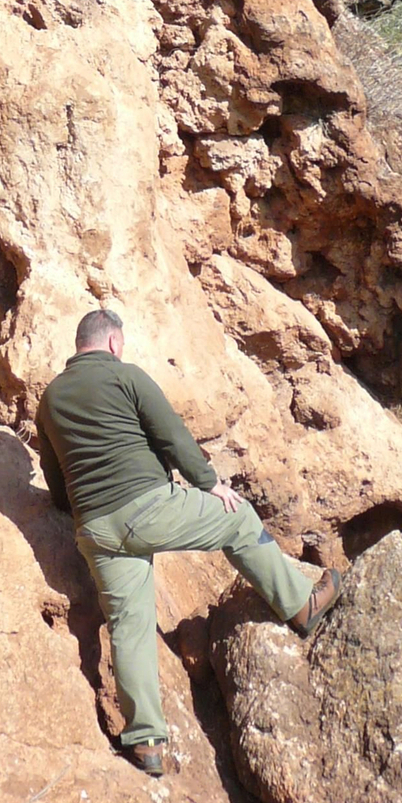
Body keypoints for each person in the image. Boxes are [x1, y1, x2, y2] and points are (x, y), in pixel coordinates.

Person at [35, 306, 343, 777]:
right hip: (146, 506)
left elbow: (56, 479)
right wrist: (209, 483)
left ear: (80, 345)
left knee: (129, 626)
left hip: (95, 529)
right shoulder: (127, 377)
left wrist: (77, 510)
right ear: (114, 343)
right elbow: (172, 436)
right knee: (238, 519)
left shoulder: (50, 399)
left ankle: (146, 742)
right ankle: (302, 604)